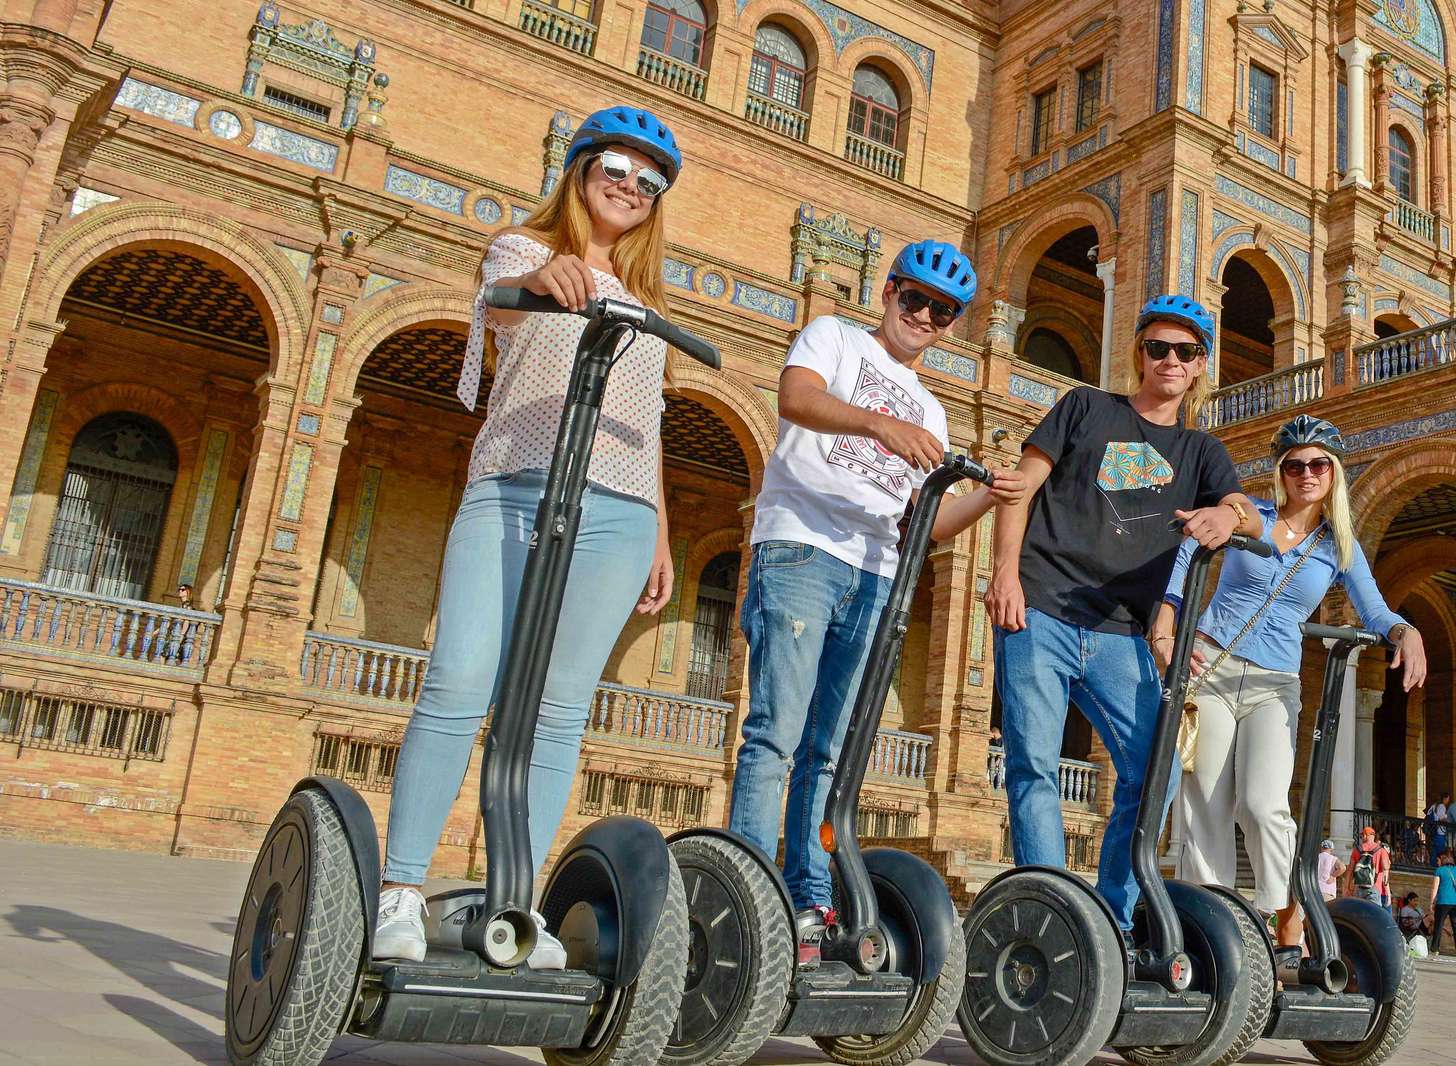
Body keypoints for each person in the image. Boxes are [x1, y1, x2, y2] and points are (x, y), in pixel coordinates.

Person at [371, 106, 686, 968]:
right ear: (581, 171)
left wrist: (660, 533)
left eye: (647, 181)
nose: (629, 186)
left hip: (619, 515)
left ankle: (516, 904)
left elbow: (646, 426)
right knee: (461, 676)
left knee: (556, 710)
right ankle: (400, 889)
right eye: (615, 168)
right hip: (515, 487)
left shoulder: (651, 300)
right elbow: (506, 316)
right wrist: (552, 276)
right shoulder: (521, 251)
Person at [727, 237, 1024, 949]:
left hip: (876, 574)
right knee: (775, 733)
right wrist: (879, 424)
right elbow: (795, 399)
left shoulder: (933, 407)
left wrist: (987, 499)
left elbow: (925, 523)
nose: (925, 316)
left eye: (943, 311)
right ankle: (741, 889)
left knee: (831, 748)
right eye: (915, 298)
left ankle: (809, 897)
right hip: (802, 546)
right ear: (888, 291)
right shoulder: (833, 337)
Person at [984, 293, 1258, 928]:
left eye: (1184, 352)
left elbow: (1247, 511)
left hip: (1120, 633)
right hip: (1042, 609)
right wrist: (1003, 573)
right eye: (1158, 348)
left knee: (1154, 772)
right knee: (1034, 765)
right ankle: (1052, 913)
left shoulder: (1200, 451)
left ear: (1199, 366)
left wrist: (1227, 513)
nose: (1169, 359)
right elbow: (1020, 487)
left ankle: (1112, 917)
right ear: (1141, 355)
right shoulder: (1085, 407)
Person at [1157, 413, 1425, 948]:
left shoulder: (1338, 547)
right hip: (1208, 665)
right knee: (1204, 800)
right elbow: (1189, 550)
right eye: (1295, 463)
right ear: (1281, 471)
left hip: (1274, 682)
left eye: (1319, 464)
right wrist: (1166, 626)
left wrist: (1405, 630)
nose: (1307, 473)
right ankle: (1210, 928)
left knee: (1263, 802)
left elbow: (1373, 608)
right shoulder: (1247, 513)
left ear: (1334, 474)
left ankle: (1286, 913)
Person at [1428, 850, 1456, 958]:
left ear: (1443, 860)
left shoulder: (1439, 871)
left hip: (1442, 901)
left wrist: (1431, 902)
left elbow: (1434, 888)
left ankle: (1435, 949)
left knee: (1439, 926)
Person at [1351, 824, 1392, 907]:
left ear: (1366, 835)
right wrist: (1388, 894)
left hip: (1358, 887)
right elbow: (1385, 873)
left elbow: (1350, 870)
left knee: (1357, 915)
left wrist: (1347, 888)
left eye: (1362, 836)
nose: (1361, 838)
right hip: (1374, 888)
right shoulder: (1381, 850)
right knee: (1373, 916)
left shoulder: (1357, 850)